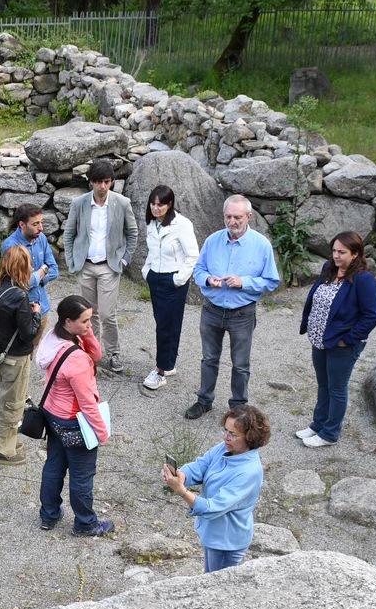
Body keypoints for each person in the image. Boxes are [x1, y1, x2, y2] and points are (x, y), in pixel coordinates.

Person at [183, 195, 281, 420]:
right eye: (228, 216)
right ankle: (204, 401)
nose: (232, 222)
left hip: (242, 313)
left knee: (240, 364)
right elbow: (198, 271)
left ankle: (238, 407)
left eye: (238, 217)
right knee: (209, 358)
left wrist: (244, 282)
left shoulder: (261, 245)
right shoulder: (212, 240)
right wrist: (208, 280)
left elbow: (272, 281)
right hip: (212, 309)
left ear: (249, 217)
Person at [297, 230, 376, 448]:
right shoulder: (329, 269)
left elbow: (372, 314)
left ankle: (330, 434)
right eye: (334, 250)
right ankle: (318, 425)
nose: (336, 256)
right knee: (323, 384)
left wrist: (349, 339)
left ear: (355, 254)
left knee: (337, 387)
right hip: (320, 340)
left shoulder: (364, 280)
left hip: (341, 344)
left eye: (342, 252)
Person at [162, 404, 270, 572]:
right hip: (214, 533)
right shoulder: (226, 448)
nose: (226, 437)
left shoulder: (248, 472)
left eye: (233, 434)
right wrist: (182, 475)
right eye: (225, 431)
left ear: (250, 437)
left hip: (226, 542)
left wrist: (181, 491)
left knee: (215, 584)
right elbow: (202, 465)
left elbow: (214, 507)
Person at [38, 295, 113, 537]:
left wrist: (86, 333)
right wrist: (102, 432)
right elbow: (88, 403)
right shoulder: (78, 362)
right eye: (85, 322)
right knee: (81, 476)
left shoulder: (55, 339)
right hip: (73, 422)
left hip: (53, 415)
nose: (89, 325)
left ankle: (48, 515)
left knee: (54, 466)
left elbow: (97, 354)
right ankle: (85, 523)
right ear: (68, 321)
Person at [61, 159, 139, 377]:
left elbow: (132, 233)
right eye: (98, 182)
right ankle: (91, 353)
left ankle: (113, 353)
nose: (102, 186)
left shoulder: (122, 203)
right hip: (85, 266)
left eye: (106, 182)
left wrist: (124, 260)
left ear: (112, 181)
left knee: (107, 313)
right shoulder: (79, 203)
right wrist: (72, 261)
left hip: (109, 267)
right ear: (91, 182)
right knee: (88, 314)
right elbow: (69, 234)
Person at [140, 185, 200, 392]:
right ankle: (169, 364)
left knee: (166, 326)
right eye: (153, 204)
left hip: (173, 280)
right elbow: (151, 250)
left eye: (161, 204)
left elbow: (193, 255)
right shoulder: (152, 222)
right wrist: (147, 270)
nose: (156, 208)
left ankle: (159, 371)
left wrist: (178, 279)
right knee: (165, 323)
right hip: (155, 278)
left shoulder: (182, 224)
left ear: (170, 204)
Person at [0, 245, 42, 464]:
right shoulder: (19, 296)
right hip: (16, 357)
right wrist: (35, 314)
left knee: (0, 397)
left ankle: (3, 439)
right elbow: (28, 334)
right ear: (23, 266)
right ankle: (2, 451)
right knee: (13, 403)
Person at [0, 204, 59, 320]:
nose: (41, 228)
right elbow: (22, 283)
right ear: (22, 225)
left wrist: (37, 279)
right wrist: (43, 269)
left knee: (39, 338)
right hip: (21, 311)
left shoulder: (41, 238)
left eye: (41, 222)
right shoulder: (11, 246)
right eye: (35, 224)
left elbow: (55, 270)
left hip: (42, 308)